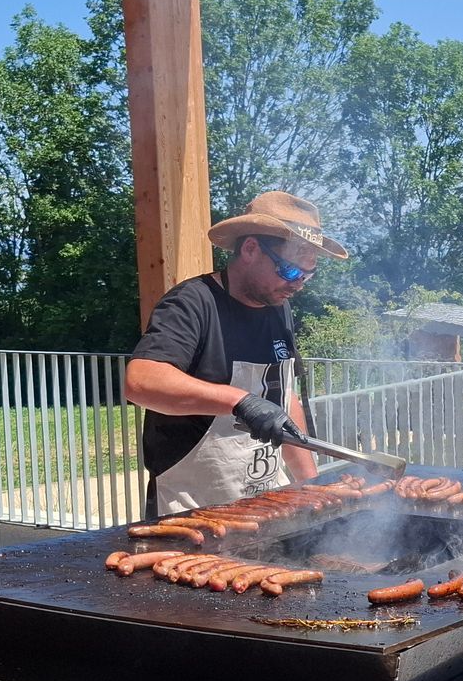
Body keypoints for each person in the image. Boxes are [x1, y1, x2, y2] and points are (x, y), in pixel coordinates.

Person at [123, 191, 346, 516]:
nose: (298, 284)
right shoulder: (192, 303)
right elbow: (142, 380)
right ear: (251, 249)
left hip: (268, 504)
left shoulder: (278, 307)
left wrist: (311, 486)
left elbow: (284, 396)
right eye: (289, 271)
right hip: (193, 510)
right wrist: (239, 400)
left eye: (307, 275)